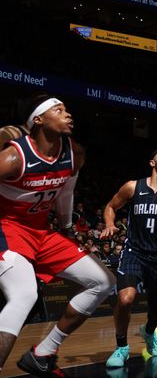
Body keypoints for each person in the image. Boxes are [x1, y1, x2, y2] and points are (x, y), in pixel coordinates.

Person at [0, 97, 116, 377]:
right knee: (24, 294)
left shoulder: (75, 153)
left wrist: (66, 226)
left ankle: (42, 354)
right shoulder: (13, 158)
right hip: (8, 228)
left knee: (102, 281)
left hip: (42, 231)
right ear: (38, 120)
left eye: (67, 109)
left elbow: (65, 192)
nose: (68, 114)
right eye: (59, 109)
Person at [101, 148, 157, 368]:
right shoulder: (134, 186)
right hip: (133, 252)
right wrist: (110, 224)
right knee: (125, 299)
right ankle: (122, 346)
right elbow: (111, 206)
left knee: (156, 311)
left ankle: (149, 332)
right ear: (152, 162)